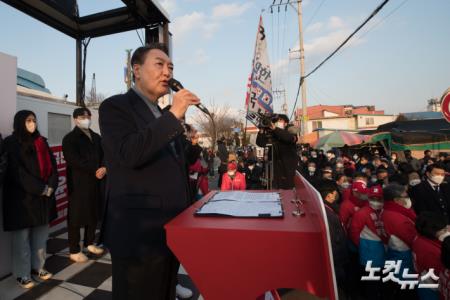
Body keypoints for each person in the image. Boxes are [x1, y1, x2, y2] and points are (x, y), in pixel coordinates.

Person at [98, 43, 200, 300]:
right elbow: (130, 153)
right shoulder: (116, 107)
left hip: (170, 229)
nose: (167, 72)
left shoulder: (162, 115)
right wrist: (175, 113)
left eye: (171, 67)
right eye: (159, 64)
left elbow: (176, 164)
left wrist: (191, 145)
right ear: (136, 69)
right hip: (138, 233)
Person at [2, 110, 58, 288]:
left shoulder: (42, 141)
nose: (32, 123)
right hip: (22, 200)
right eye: (28, 120)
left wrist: (50, 186)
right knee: (22, 240)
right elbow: (17, 173)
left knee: (41, 237)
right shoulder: (10, 143)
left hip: (43, 199)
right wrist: (41, 188)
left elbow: (53, 167)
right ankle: (22, 274)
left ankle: (37, 268)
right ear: (20, 122)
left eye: (34, 120)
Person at [62, 107, 106, 262]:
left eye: (88, 116)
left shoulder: (97, 137)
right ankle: (74, 249)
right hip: (79, 184)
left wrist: (104, 167)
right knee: (76, 217)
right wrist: (95, 169)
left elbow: (105, 154)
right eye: (82, 116)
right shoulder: (70, 139)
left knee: (93, 214)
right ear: (75, 119)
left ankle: (89, 243)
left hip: (96, 182)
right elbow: (73, 160)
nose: (86, 119)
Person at [381, 183, 418, 299]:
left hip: (395, 254)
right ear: (396, 200)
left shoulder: (391, 211)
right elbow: (412, 239)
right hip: (403, 257)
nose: (408, 198)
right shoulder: (396, 217)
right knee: (405, 289)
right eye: (405, 196)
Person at [317, 182, 350, 298]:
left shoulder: (326, 209)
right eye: (335, 193)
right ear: (329, 195)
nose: (337, 195)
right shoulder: (329, 215)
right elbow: (334, 240)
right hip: (335, 262)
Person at [256, 114, 298, 189]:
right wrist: (261, 131)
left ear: (286, 123)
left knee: (287, 192)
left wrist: (275, 129)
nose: (277, 122)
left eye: (280, 121)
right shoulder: (272, 132)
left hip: (287, 169)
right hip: (274, 169)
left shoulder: (291, 130)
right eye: (276, 121)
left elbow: (288, 138)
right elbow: (261, 143)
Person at [412, 212, 448, 300]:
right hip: (431, 289)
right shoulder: (430, 251)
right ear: (432, 231)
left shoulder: (420, 238)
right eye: (443, 230)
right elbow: (439, 274)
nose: (447, 231)